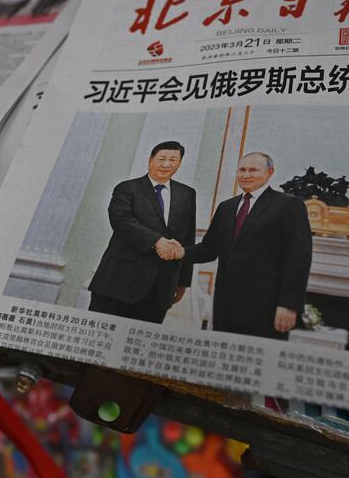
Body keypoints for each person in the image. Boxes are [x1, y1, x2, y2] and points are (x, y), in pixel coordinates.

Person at [167, 152, 312, 339]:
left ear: (270, 173)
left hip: (266, 309)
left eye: (253, 170)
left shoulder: (289, 205)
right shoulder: (226, 207)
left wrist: (289, 305)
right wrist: (181, 252)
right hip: (225, 308)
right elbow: (209, 249)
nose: (245, 175)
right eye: (242, 170)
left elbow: (298, 258)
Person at [87, 141, 196, 324]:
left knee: (138, 344)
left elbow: (187, 237)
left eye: (173, 160)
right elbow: (121, 221)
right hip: (118, 282)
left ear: (179, 164)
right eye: (162, 158)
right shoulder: (127, 188)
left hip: (161, 286)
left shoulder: (187, 194)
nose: (167, 164)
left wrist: (183, 282)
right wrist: (157, 241)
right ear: (150, 160)